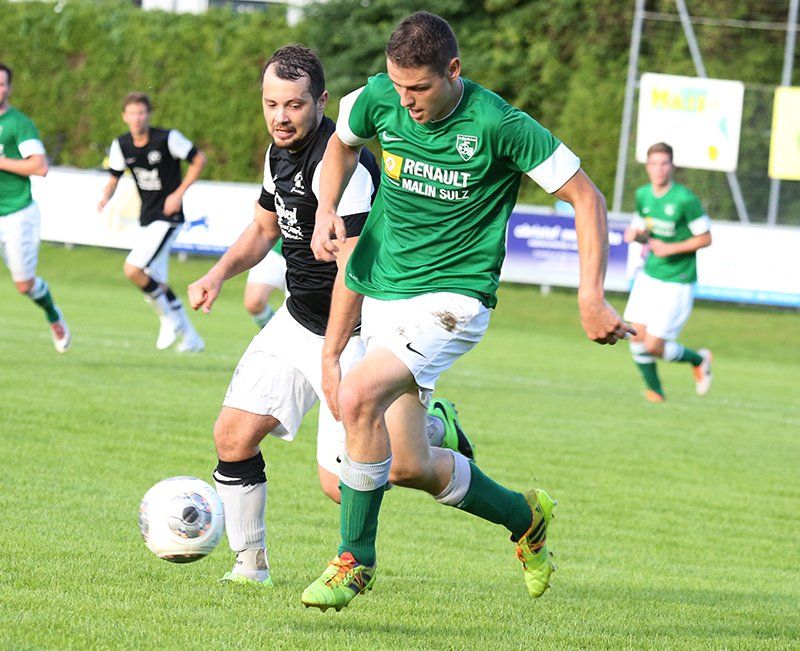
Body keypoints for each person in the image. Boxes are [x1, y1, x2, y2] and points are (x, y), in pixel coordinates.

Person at [305, 11, 633, 612]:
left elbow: (586, 197)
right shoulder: (379, 98)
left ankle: (354, 561)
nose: (406, 101)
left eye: (419, 88)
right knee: (407, 466)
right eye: (398, 86)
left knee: (357, 397)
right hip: (386, 294)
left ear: (453, 70)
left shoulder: (498, 124)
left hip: (454, 299)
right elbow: (340, 145)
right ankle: (525, 518)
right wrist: (328, 205)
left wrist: (590, 296)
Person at [187, 45, 475, 586]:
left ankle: (430, 429)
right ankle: (249, 567)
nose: (280, 116)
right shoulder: (278, 153)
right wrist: (217, 274)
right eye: (271, 104)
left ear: (321, 102)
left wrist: (332, 354)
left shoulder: (346, 165)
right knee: (232, 436)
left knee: (341, 486)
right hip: (298, 318)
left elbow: (353, 269)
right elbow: (264, 229)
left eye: (294, 105)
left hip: (354, 332)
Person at [98, 93, 206, 352]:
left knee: (133, 269)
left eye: (141, 113)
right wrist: (106, 196)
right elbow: (114, 176)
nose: (137, 118)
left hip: (168, 218)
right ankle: (191, 337)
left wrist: (178, 193)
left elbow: (199, 159)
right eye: (132, 113)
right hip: (147, 218)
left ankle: (168, 320)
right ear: (124, 116)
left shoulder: (167, 139)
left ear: (148, 115)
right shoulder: (121, 144)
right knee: (155, 281)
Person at [623, 142, 713, 403]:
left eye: (664, 163)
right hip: (650, 275)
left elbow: (706, 238)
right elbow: (646, 233)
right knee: (635, 337)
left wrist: (671, 248)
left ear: (672, 166)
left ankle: (699, 360)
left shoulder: (685, 199)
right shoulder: (643, 195)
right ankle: (656, 391)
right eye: (654, 163)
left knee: (654, 346)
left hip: (678, 280)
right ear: (647, 166)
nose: (659, 169)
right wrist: (636, 235)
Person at [0, 63, 70, 353]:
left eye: (1, 84)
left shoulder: (19, 123)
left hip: (16, 213)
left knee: (24, 285)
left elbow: (39, 167)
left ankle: (53, 314)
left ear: (9, 88)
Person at [244, 239, 286, 328]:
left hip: (304, 254)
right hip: (274, 247)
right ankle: (278, 333)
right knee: (254, 302)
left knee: (302, 310)